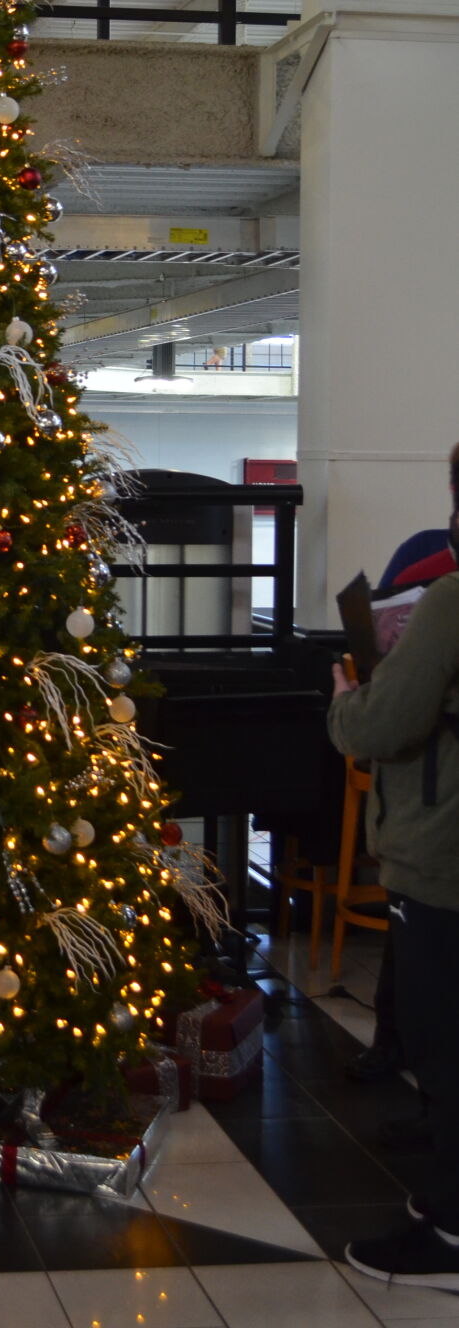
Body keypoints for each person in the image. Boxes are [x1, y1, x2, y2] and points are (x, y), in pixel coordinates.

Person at [329, 482, 459, 1292]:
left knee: (444, 1049)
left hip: (444, 858)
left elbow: (383, 725)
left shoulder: (449, 600)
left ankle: (449, 1233)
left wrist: (348, 703)